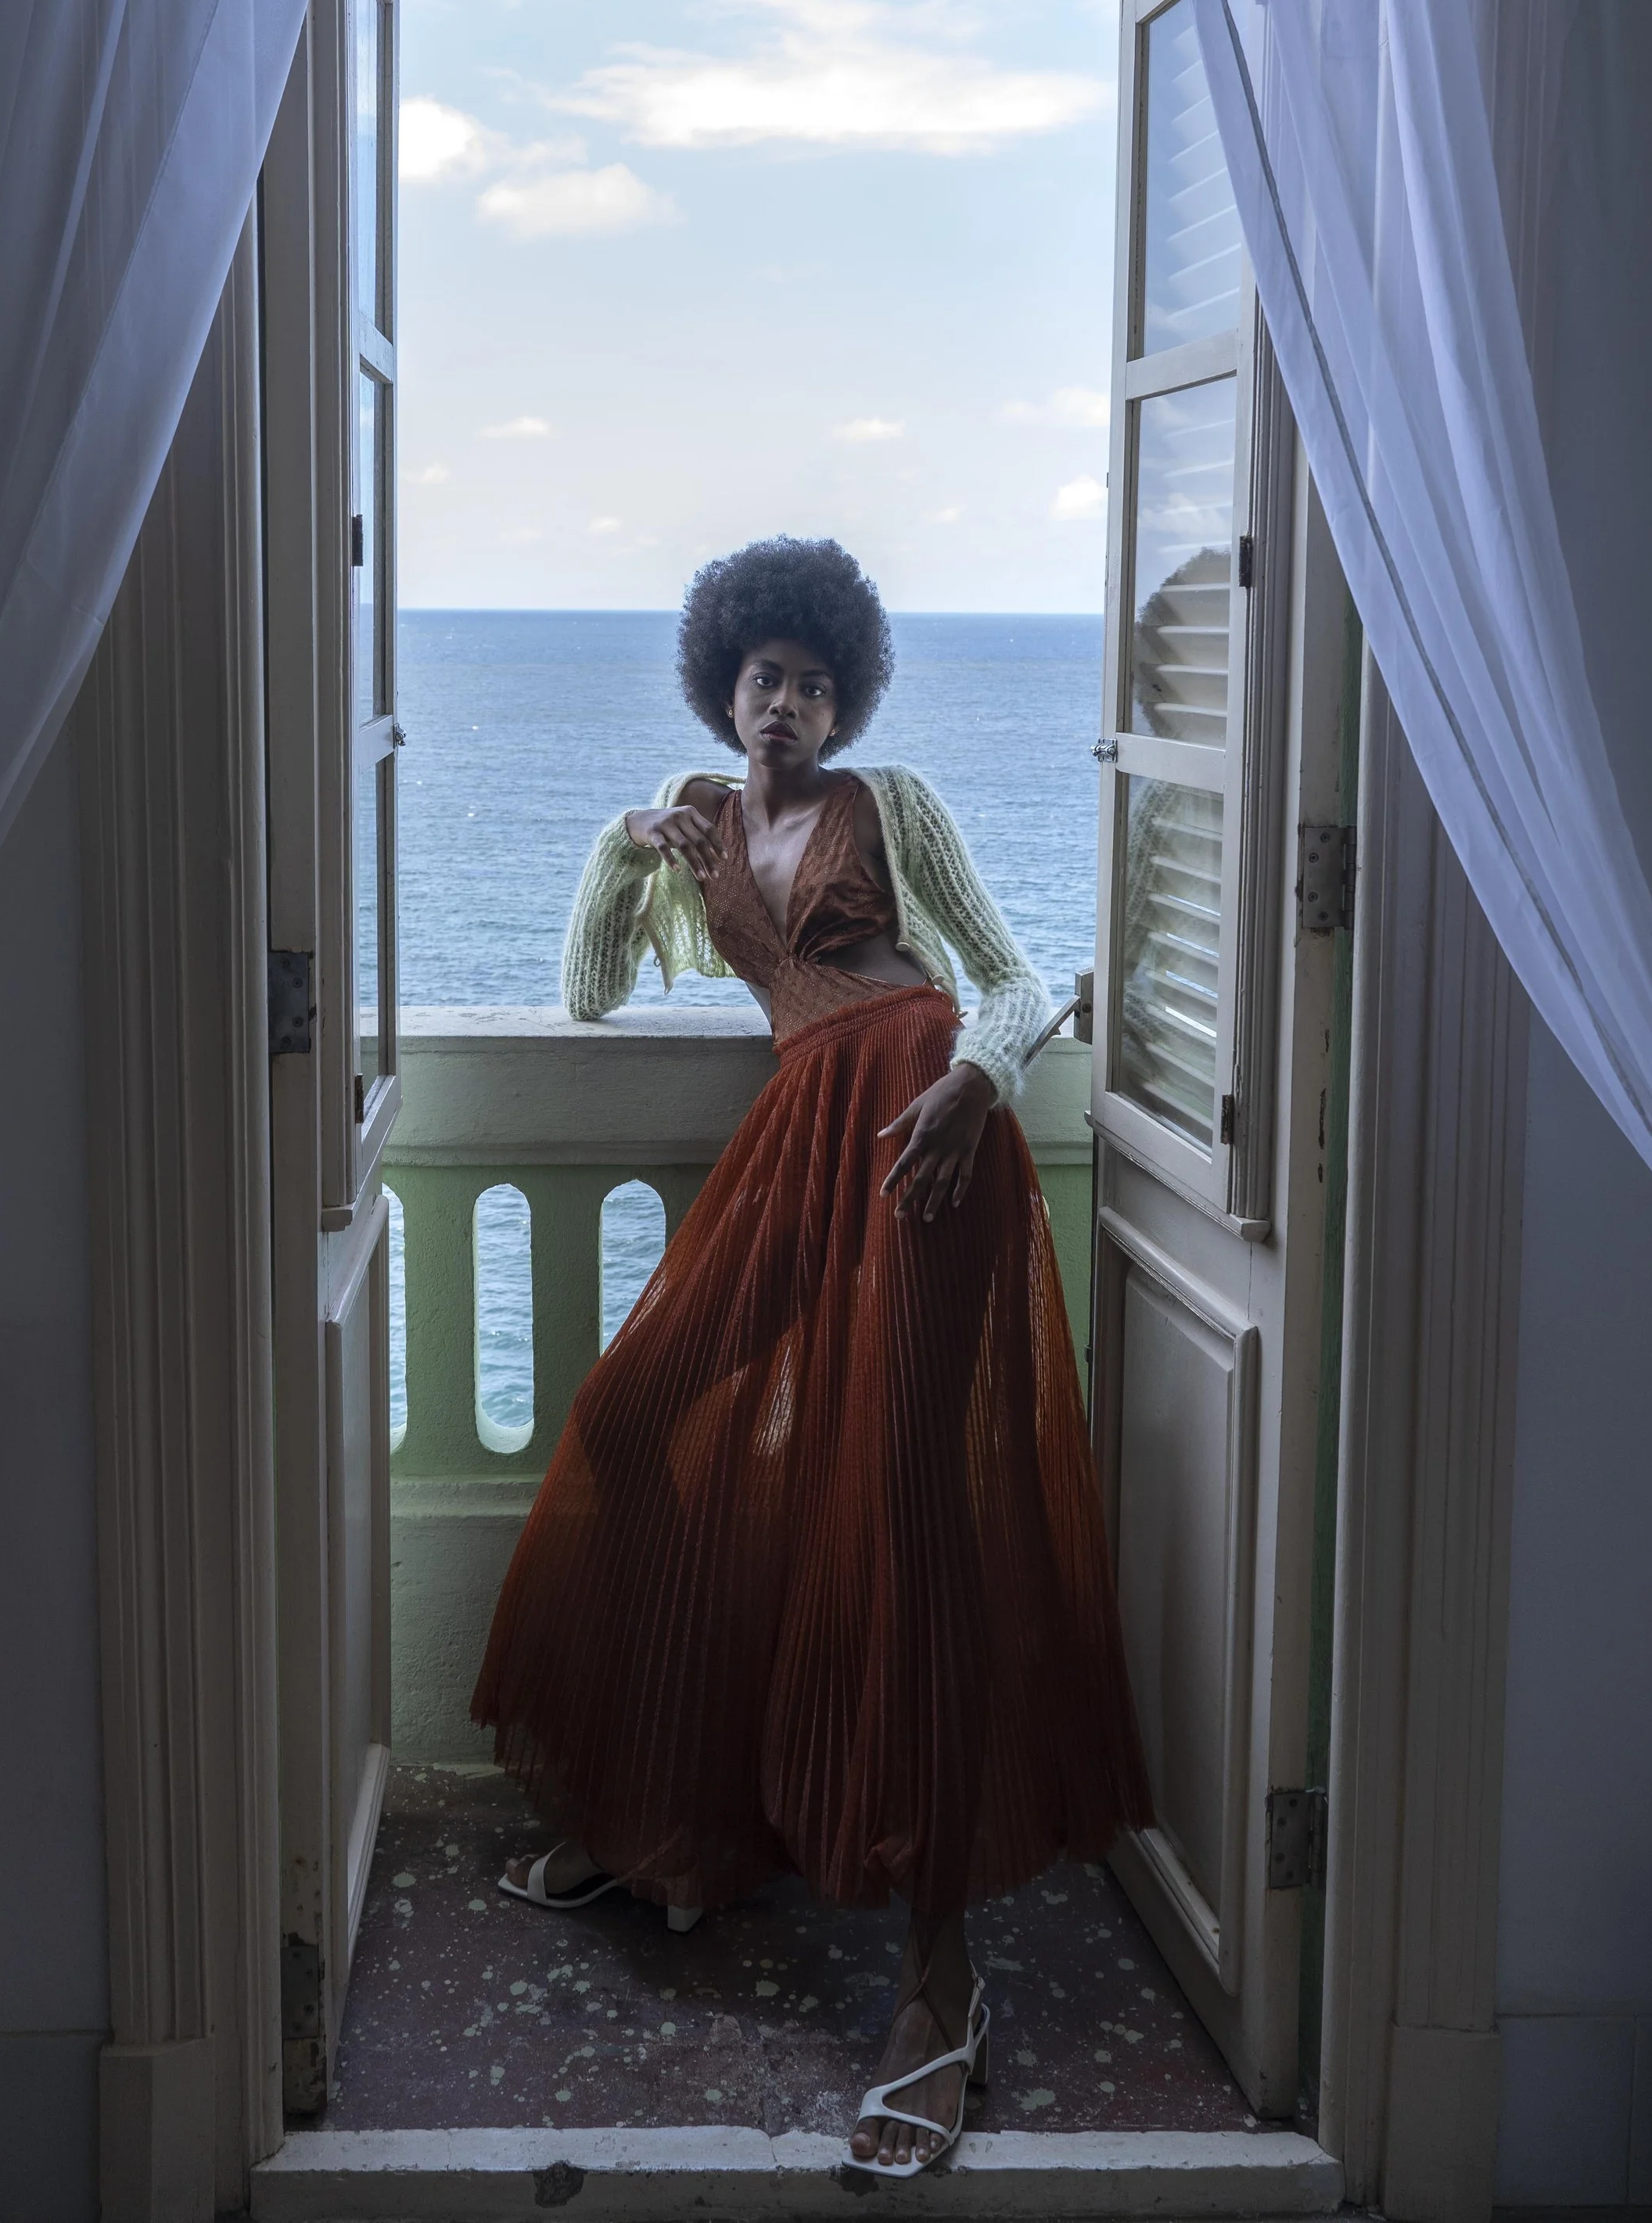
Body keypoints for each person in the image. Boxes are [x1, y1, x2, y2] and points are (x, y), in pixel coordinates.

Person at [472, 537, 1150, 2175]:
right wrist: (620, 852)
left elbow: (1008, 978)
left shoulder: (889, 806)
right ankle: (673, 1821)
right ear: (722, 686)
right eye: (762, 674)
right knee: (637, 1424)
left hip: (922, 1142)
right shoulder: (691, 818)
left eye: (813, 679)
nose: (786, 700)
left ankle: (938, 1980)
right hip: (798, 1149)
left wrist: (977, 1087)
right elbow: (580, 999)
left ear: (844, 701)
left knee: (905, 1527)